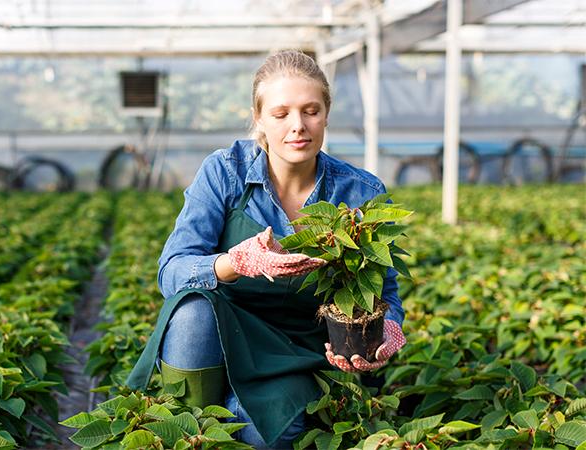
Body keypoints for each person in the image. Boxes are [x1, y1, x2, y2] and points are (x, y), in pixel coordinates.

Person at [126, 50, 406, 449]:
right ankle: (192, 426)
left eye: (311, 111)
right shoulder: (226, 172)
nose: (298, 126)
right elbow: (171, 271)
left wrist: (388, 331)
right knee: (191, 311)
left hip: (305, 346)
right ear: (258, 118)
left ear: (326, 114)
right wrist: (234, 262)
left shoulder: (360, 192)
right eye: (281, 113)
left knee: (261, 431)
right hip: (227, 330)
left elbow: (385, 293)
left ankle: (244, 407)